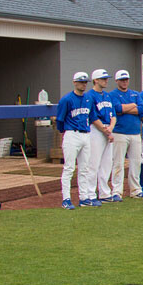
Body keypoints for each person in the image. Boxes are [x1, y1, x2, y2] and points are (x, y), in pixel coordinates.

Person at [56, 71, 94, 209]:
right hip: (72, 133)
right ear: (74, 82)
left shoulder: (88, 99)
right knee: (69, 168)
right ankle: (66, 199)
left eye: (85, 82)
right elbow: (60, 120)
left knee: (84, 168)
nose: (83, 84)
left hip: (85, 134)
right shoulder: (66, 99)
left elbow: (92, 116)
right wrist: (63, 132)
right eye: (81, 81)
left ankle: (83, 197)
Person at [109, 70, 143, 199]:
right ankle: (116, 191)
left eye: (126, 79)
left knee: (136, 162)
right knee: (118, 163)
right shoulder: (112, 94)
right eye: (122, 80)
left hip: (135, 133)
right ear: (117, 81)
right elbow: (117, 109)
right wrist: (132, 106)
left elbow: (141, 110)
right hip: (119, 133)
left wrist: (126, 109)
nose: (125, 82)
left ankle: (135, 190)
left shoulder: (135, 94)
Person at [86, 69, 118, 203]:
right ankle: (90, 194)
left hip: (107, 128)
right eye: (103, 79)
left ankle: (105, 193)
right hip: (96, 130)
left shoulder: (107, 95)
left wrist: (110, 129)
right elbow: (92, 116)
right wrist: (106, 130)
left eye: (106, 78)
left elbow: (114, 115)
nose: (106, 81)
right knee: (93, 163)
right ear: (96, 80)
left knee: (106, 163)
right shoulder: (90, 95)